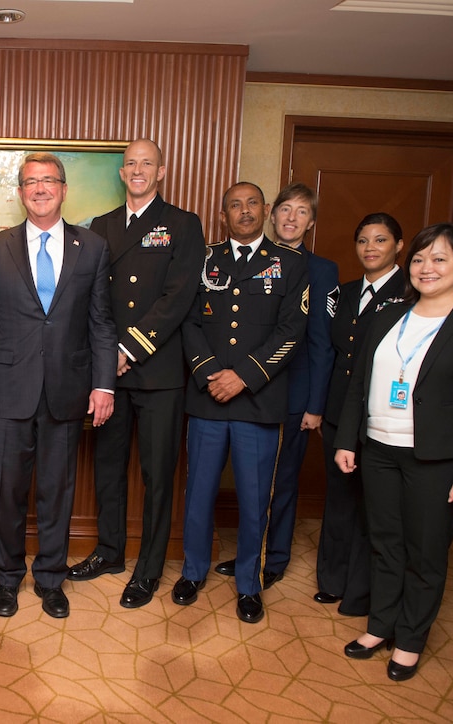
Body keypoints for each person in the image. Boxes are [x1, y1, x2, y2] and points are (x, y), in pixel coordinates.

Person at [334, 223, 453, 682]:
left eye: (439, 259)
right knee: (384, 544)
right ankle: (380, 626)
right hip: (378, 450)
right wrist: (347, 440)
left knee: (426, 553)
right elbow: (358, 383)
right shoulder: (388, 315)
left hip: (437, 459)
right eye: (418, 259)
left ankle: (410, 639)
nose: (425, 268)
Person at [0, 152, 117, 619]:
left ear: (64, 190)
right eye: (31, 181)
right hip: (7, 390)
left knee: (57, 491)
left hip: (68, 390)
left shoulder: (92, 247)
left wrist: (104, 385)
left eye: (49, 181)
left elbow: (101, 322)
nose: (41, 188)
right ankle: (8, 578)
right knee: (7, 491)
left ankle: (51, 579)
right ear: (20, 192)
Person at [67, 139, 203, 609]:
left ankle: (148, 569)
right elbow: (93, 298)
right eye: (131, 164)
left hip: (158, 372)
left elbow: (178, 297)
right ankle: (109, 552)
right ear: (121, 173)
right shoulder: (102, 226)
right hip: (109, 374)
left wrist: (128, 348)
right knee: (107, 467)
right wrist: (106, 356)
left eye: (147, 163)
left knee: (158, 474)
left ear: (161, 171)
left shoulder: (183, 225)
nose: (138, 170)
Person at [174, 182, 308, 624]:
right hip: (208, 396)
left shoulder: (289, 264)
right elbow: (188, 321)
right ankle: (193, 572)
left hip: (258, 401)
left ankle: (249, 584)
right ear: (222, 214)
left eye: (252, 204)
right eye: (235, 205)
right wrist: (210, 372)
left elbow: (291, 332)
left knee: (254, 500)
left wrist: (245, 376)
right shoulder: (205, 259)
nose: (244, 211)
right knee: (199, 494)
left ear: (265, 211)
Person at [214, 183, 338, 588]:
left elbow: (320, 340)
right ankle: (252, 555)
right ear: (272, 213)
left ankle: (274, 559)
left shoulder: (320, 270)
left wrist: (315, 404)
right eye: (286, 210)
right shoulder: (253, 259)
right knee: (254, 483)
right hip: (256, 388)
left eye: (302, 212)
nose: (291, 218)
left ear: (312, 222)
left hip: (295, 392)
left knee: (281, 480)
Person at [316, 213, 406, 615]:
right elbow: (331, 354)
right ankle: (332, 581)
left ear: (399, 246)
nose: (371, 248)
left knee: (375, 508)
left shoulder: (412, 292)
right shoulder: (345, 293)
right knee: (338, 500)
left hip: (383, 418)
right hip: (339, 412)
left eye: (381, 240)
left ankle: (361, 592)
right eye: (364, 240)